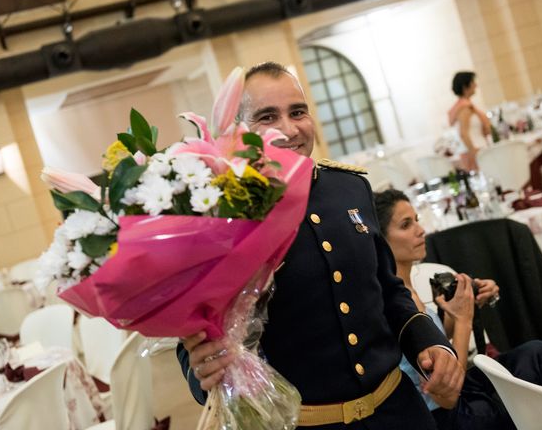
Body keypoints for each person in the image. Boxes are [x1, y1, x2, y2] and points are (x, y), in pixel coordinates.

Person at [177, 62, 464, 429]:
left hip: (399, 411)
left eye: (298, 112)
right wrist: (202, 370)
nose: (289, 128)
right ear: (239, 131)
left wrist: (431, 343)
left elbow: (388, 289)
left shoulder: (349, 188)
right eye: (268, 116)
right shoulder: (221, 212)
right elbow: (196, 329)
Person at [374, 188, 542, 430]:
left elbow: (433, 351)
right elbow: (447, 394)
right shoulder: (398, 301)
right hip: (447, 418)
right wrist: (464, 320)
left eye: (417, 221)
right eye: (405, 225)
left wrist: (461, 308)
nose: (421, 231)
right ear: (381, 241)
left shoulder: (404, 287)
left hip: (456, 399)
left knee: (537, 354)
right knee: (540, 361)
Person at [447, 72, 491, 171]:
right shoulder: (464, 108)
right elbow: (463, 134)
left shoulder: (465, 106)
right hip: (474, 151)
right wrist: (474, 153)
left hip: (478, 148)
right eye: (473, 82)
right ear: (465, 86)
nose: (476, 85)